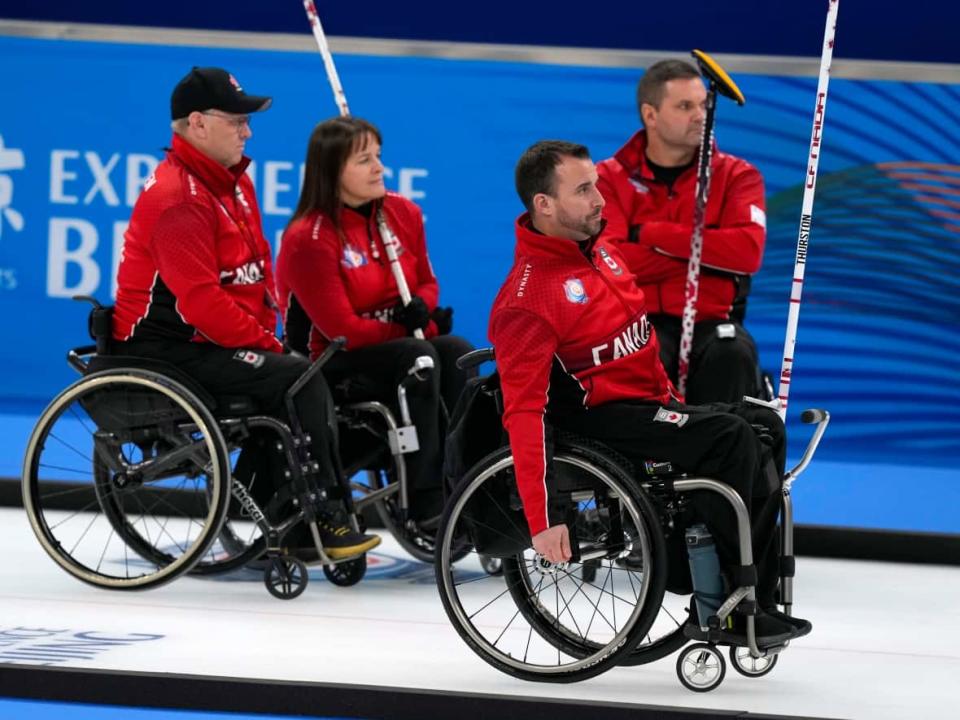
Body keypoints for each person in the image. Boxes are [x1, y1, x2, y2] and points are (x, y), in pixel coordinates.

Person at [489, 139, 810, 647]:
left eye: (596, 184)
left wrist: (674, 406)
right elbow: (524, 413)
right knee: (729, 438)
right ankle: (730, 603)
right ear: (543, 204)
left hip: (646, 405)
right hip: (599, 419)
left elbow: (638, 351)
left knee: (763, 425)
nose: (600, 199)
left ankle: (757, 596)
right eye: (583, 189)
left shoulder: (604, 255)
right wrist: (543, 519)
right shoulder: (528, 298)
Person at [111, 66, 380, 560]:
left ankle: (279, 505)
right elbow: (201, 304)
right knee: (294, 377)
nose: (247, 130)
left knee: (300, 373)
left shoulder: (234, 183)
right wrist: (269, 346)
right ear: (196, 124)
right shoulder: (178, 198)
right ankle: (320, 519)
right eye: (236, 121)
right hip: (168, 348)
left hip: (210, 339)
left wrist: (271, 335)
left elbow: (256, 274)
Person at [275, 116, 474, 523]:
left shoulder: (402, 212)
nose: (379, 167)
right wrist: (414, 326)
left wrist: (420, 305)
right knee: (419, 355)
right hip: (329, 362)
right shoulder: (308, 237)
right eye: (365, 160)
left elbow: (428, 282)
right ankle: (425, 496)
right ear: (332, 171)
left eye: (379, 156)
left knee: (458, 353)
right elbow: (343, 331)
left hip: (396, 346)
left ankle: (469, 478)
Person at [597, 59, 767, 404]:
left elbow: (747, 253)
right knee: (639, 355)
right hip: (635, 321)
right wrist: (707, 256)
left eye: (704, 104)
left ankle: (725, 456)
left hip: (712, 323)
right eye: (685, 106)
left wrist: (650, 234)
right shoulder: (607, 178)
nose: (701, 115)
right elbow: (607, 261)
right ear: (650, 115)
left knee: (731, 353)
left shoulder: (738, 176)